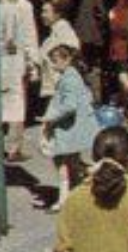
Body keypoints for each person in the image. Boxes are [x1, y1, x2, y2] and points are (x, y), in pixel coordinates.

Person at [40, 32, 98, 208]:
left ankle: (66, 196)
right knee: (72, 163)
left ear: (66, 60)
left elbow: (70, 105)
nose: (53, 64)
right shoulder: (71, 75)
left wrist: (50, 117)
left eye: (55, 60)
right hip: (73, 128)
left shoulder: (69, 79)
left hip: (69, 129)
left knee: (63, 162)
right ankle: (84, 187)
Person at [0, 0, 40, 162]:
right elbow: (30, 36)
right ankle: (13, 148)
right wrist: (33, 62)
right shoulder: (24, 5)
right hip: (15, 61)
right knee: (15, 102)